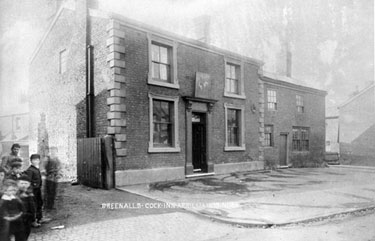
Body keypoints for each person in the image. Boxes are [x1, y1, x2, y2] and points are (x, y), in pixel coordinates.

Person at [24, 154, 44, 225]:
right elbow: (28, 181)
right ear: (31, 161)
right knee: (33, 205)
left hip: (37, 189)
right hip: (33, 190)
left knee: (39, 203)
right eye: (34, 160)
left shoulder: (36, 169)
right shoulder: (30, 170)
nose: (36, 161)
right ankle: (33, 221)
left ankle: (40, 218)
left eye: (37, 160)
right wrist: (31, 190)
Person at [17, 174, 38, 239]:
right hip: (17, 219)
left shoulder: (30, 194)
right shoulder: (14, 193)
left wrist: (33, 219)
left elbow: (33, 207)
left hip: (27, 219)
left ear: (29, 184)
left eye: (26, 183)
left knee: (25, 235)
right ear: (17, 183)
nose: (23, 185)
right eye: (22, 183)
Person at [44, 147, 61, 212]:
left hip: (54, 177)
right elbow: (43, 168)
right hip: (49, 177)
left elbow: (59, 167)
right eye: (52, 151)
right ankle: (47, 206)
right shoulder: (47, 158)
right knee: (49, 192)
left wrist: (58, 173)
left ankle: (51, 205)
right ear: (50, 151)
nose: (53, 152)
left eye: (55, 151)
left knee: (53, 192)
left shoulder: (56, 159)